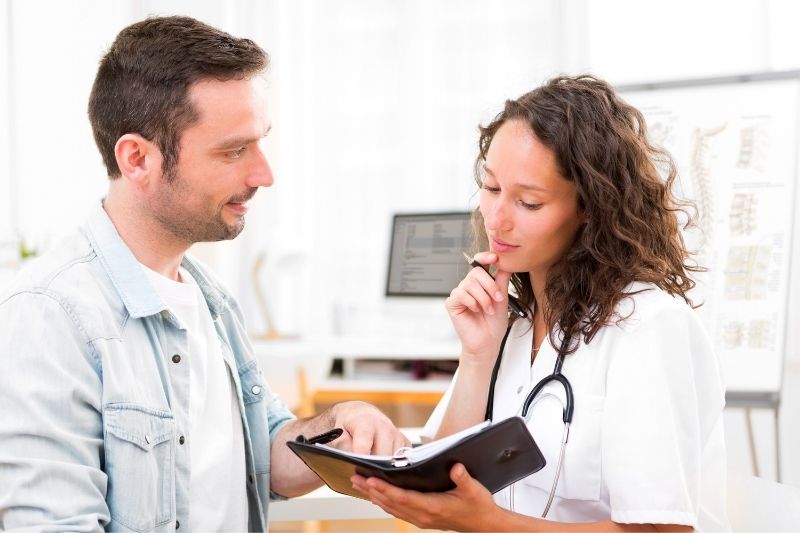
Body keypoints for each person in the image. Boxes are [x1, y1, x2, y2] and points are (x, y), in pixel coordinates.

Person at [0, 16, 408, 532]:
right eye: (233, 150)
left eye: (260, 144)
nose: (263, 174)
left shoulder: (207, 296)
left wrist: (336, 426)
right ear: (137, 159)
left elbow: (260, 451)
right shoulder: (50, 316)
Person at [352, 75, 728, 532]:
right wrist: (476, 358)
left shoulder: (646, 326)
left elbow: (661, 531)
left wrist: (489, 523)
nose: (496, 219)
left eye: (528, 203)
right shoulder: (512, 327)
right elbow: (437, 485)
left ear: (592, 206)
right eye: (491, 189)